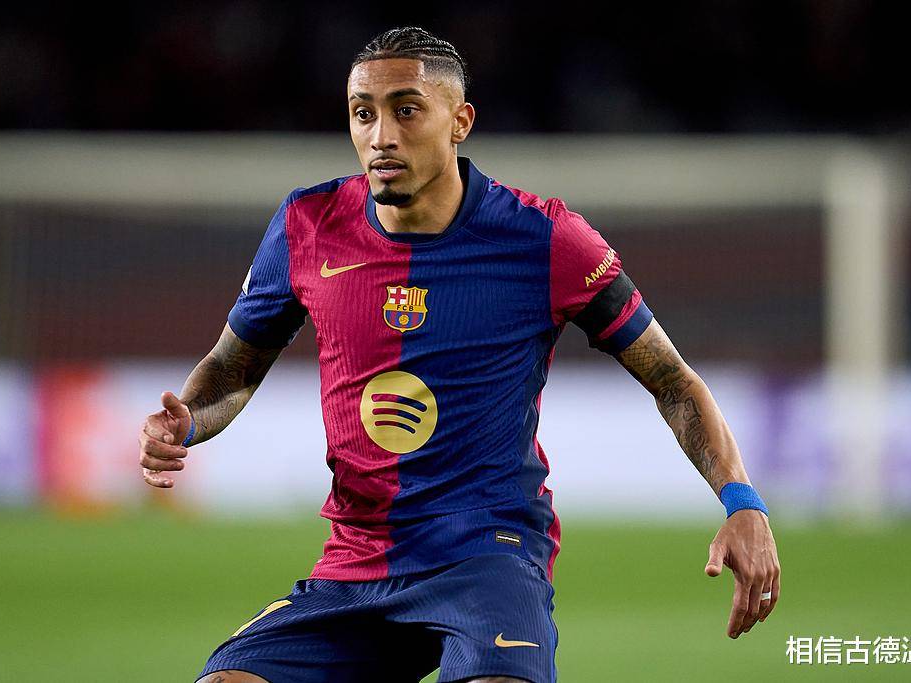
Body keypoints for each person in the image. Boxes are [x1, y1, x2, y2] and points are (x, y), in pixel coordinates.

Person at [138, 26, 781, 683]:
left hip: (489, 557)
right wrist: (187, 419)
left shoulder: (546, 239)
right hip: (356, 562)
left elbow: (672, 379)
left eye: (406, 110)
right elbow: (233, 369)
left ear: (460, 121)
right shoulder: (308, 225)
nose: (381, 135)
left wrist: (742, 502)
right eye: (363, 113)